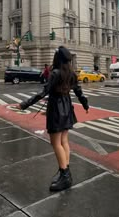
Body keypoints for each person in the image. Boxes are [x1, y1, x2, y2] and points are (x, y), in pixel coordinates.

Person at [17, 46, 89, 192]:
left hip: (56, 109)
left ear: (57, 58)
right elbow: (79, 92)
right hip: (67, 107)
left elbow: (43, 92)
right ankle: (64, 170)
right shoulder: (71, 73)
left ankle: (65, 175)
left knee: (56, 143)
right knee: (64, 141)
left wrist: (25, 104)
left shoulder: (55, 73)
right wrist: (85, 105)